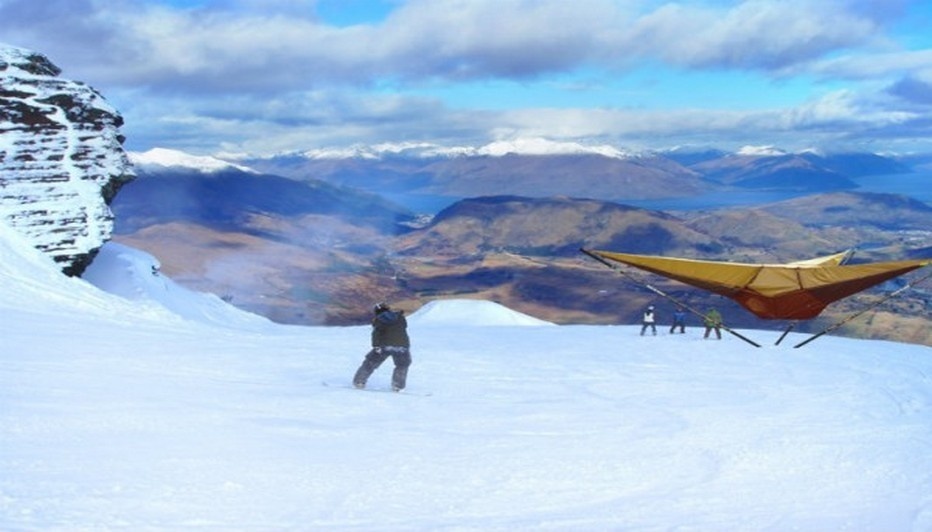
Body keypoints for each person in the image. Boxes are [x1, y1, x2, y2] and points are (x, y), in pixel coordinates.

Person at [353, 302, 411, 391]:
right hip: (402, 345)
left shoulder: (379, 319)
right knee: (402, 365)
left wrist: (376, 346)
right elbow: (404, 326)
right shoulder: (400, 317)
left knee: (370, 363)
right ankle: (398, 386)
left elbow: (376, 333)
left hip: (384, 345)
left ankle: (359, 381)